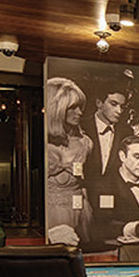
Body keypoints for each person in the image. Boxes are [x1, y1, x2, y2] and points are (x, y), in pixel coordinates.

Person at [45, 77, 94, 245]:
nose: (79, 112)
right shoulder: (41, 143)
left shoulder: (86, 143)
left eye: (80, 107)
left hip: (79, 211)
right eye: (72, 107)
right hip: (50, 213)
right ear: (57, 109)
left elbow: (88, 182)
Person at [83, 92, 132, 201]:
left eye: (122, 107)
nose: (119, 111)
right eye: (113, 104)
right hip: (83, 196)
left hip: (114, 197)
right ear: (99, 103)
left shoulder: (126, 132)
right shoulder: (81, 127)